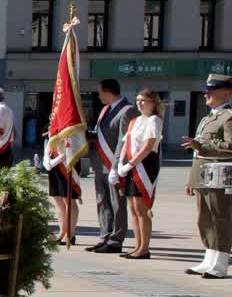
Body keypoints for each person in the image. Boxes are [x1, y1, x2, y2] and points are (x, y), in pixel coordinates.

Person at [183, 73, 232, 279]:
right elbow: (197, 153)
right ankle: (208, 259)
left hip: (220, 177)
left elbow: (230, 147)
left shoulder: (228, 117)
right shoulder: (207, 117)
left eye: (212, 91)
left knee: (220, 218)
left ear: (227, 93)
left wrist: (202, 145)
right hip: (204, 175)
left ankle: (220, 263)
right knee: (205, 218)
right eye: (206, 90)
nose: (206, 94)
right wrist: (191, 179)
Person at [87, 79, 136, 254]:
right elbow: (100, 136)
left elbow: (123, 141)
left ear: (108, 91)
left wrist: (116, 167)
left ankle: (116, 239)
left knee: (117, 203)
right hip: (99, 163)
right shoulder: (104, 110)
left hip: (113, 165)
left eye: (100, 92)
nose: (98, 96)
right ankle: (104, 236)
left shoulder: (127, 110)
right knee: (102, 202)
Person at [114, 88, 163, 260]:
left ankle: (144, 248)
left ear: (153, 103)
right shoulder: (134, 121)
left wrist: (130, 164)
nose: (140, 103)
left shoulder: (154, 120)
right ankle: (136, 245)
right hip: (130, 165)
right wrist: (120, 165)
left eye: (144, 100)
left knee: (141, 208)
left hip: (145, 165)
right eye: (138, 100)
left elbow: (148, 147)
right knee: (133, 208)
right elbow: (125, 144)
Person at [44, 114, 84, 249]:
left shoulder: (71, 125)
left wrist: (58, 158)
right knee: (58, 199)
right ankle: (62, 230)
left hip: (67, 163)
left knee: (69, 200)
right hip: (55, 165)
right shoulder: (53, 126)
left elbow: (75, 145)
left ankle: (70, 234)